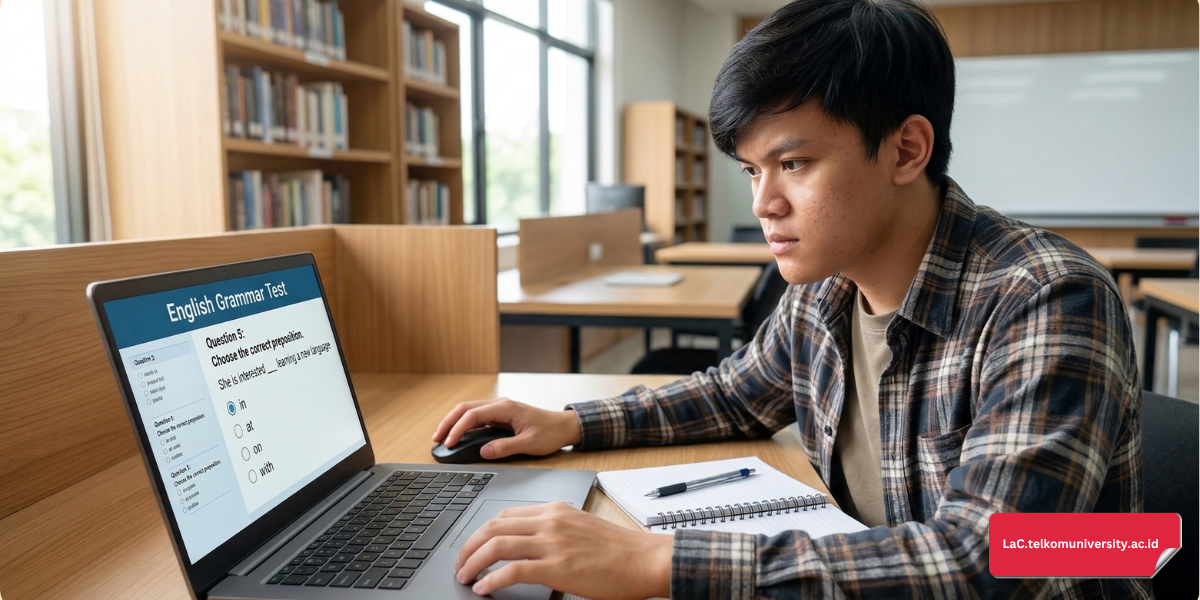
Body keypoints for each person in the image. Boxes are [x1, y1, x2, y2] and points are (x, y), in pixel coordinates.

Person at [435, 0, 1147, 598]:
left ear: (906, 150)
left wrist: (663, 562)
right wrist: (568, 424)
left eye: (793, 163)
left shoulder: (1046, 298)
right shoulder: (826, 286)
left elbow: (993, 559)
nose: (763, 202)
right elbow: (734, 396)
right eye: (753, 170)